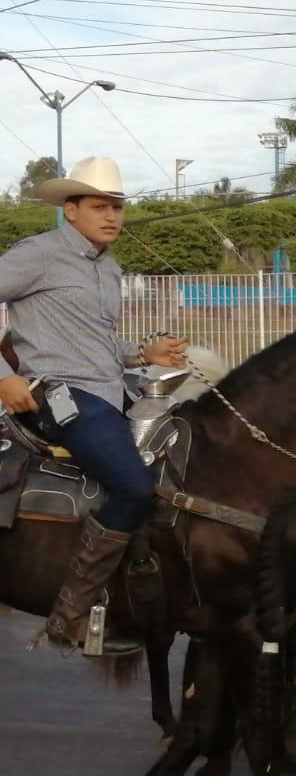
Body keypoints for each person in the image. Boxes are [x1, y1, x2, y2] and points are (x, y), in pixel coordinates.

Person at [0, 157, 187, 653]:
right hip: (59, 395)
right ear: (70, 211)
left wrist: (143, 353)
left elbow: (94, 339)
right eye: (99, 206)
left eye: (118, 207)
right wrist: (3, 378)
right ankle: (71, 615)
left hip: (112, 390)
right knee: (133, 486)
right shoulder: (37, 255)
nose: (112, 216)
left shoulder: (109, 268)